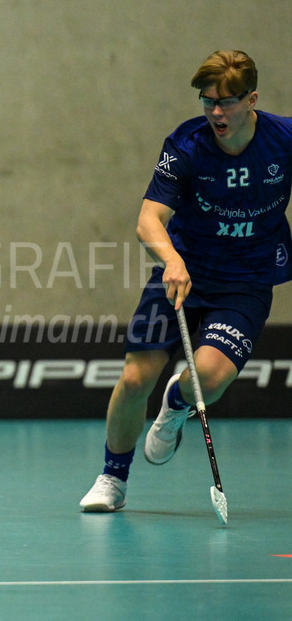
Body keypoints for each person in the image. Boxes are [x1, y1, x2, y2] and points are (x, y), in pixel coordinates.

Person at [80, 50, 292, 513]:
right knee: (136, 378)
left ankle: (175, 407)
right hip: (184, 273)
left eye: (228, 102)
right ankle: (112, 478)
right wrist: (171, 259)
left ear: (252, 99)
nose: (216, 112)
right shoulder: (186, 146)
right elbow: (148, 219)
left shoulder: (284, 139)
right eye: (207, 100)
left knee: (208, 379)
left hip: (247, 279)